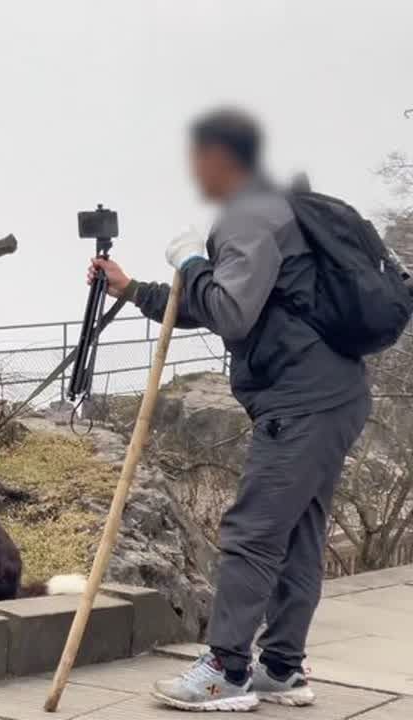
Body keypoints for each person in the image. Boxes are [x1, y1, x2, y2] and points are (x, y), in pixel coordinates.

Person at [90, 108, 371, 712]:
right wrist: (133, 288)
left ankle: (226, 670)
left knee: (252, 531)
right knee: (297, 533)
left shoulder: (248, 217)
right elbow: (226, 300)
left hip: (300, 402)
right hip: (336, 395)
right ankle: (282, 669)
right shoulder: (282, 213)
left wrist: (192, 259)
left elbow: (229, 311)